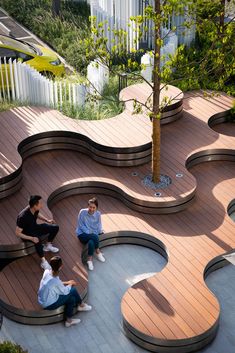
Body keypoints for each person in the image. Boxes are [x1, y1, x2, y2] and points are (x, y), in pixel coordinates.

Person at [38, 256, 92, 327]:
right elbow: (65, 291)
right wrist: (70, 284)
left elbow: (55, 284)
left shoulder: (47, 272)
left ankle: (68, 321)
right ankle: (82, 305)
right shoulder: (55, 281)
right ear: (61, 267)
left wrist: (67, 282)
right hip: (49, 304)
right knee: (73, 290)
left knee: (71, 299)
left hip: (42, 299)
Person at [16, 195, 59, 270]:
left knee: (55, 227)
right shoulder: (22, 217)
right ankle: (43, 262)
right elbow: (17, 233)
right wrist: (31, 238)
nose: (42, 205)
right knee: (37, 240)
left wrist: (47, 220)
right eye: (40, 203)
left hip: (34, 227)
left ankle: (48, 245)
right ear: (35, 206)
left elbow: (37, 214)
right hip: (27, 234)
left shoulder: (34, 209)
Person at [76, 197, 105, 271]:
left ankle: (89, 260)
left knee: (91, 242)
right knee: (94, 237)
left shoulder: (98, 214)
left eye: (93, 207)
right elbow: (81, 225)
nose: (91, 209)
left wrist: (100, 231)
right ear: (88, 206)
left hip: (92, 234)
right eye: (90, 207)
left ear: (96, 208)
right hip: (82, 234)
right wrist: (90, 232)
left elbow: (99, 224)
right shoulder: (82, 212)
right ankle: (98, 252)